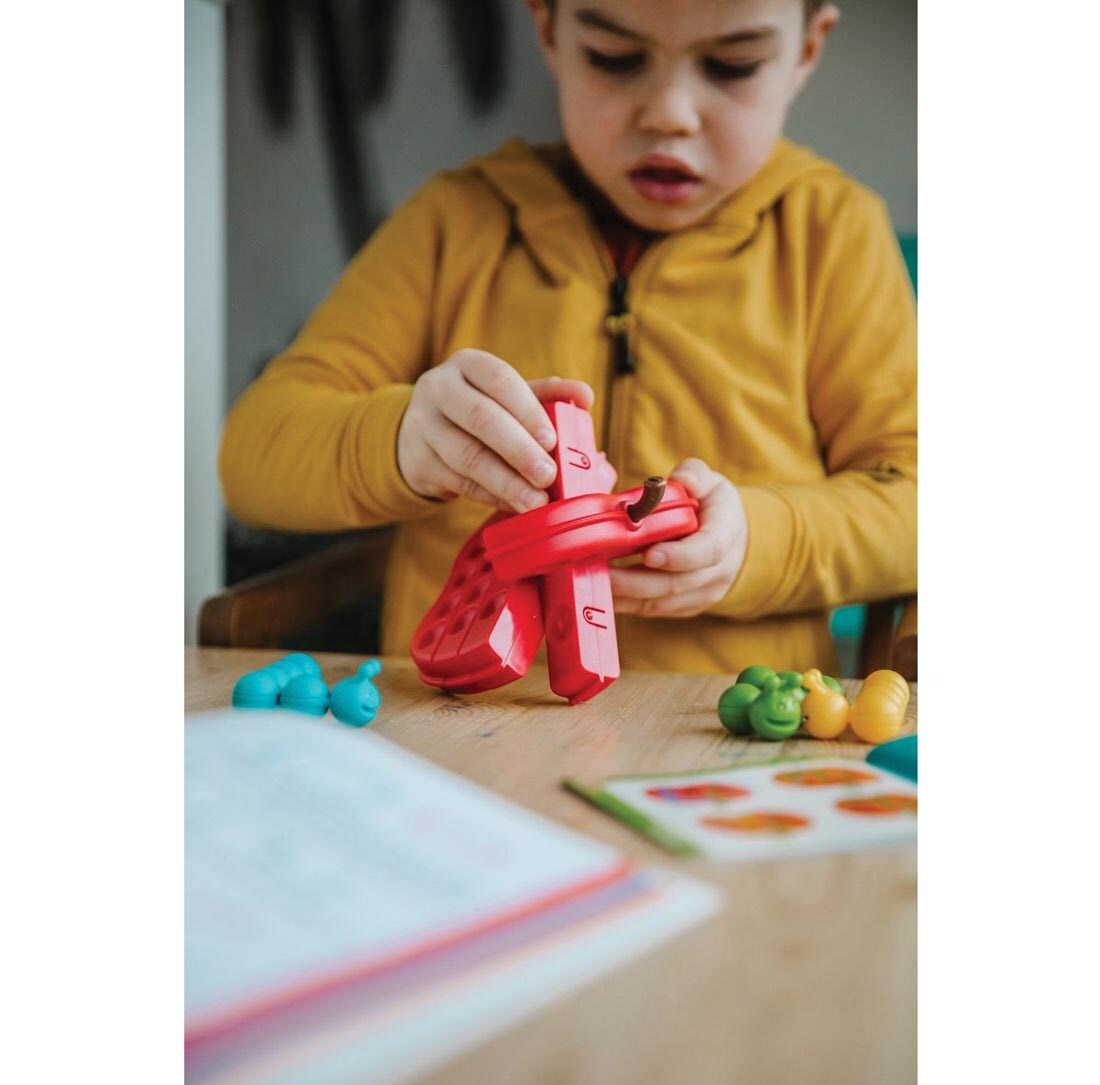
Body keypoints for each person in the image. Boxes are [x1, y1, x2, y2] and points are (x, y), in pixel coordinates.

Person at [219, 0, 916, 675]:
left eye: (734, 65)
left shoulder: (834, 235)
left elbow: (917, 501)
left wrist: (759, 544)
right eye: (614, 58)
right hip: (450, 729)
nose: (668, 114)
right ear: (548, 29)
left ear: (806, 49)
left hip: (719, 733)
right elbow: (254, 453)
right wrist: (400, 442)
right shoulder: (455, 223)